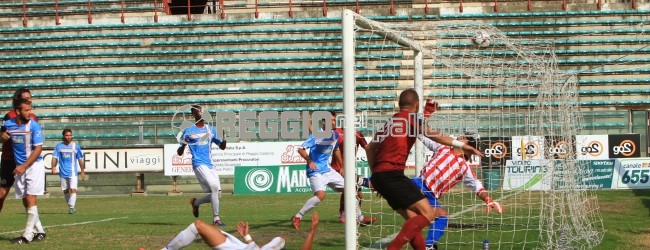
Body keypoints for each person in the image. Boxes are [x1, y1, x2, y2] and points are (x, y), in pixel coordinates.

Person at [365, 89, 483, 250]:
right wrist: (464, 145)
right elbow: (435, 135)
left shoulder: (389, 123)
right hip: (393, 175)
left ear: (400, 104)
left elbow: (370, 148)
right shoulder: (410, 119)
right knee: (427, 214)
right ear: (416, 105)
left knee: (412, 221)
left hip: (380, 175)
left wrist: (376, 176)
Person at [413, 133, 503, 250]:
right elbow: (423, 135)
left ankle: (428, 246)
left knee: (442, 217)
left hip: (430, 196)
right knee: (392, 188)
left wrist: (488, 199)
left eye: (465, 138)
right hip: (417, 183)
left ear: (469, 147)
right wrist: (417, 124)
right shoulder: (442, 146)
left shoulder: (465, 168)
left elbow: (477, 186)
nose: (461, 137)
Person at [291, 111, 374, 230]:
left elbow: (336, 151)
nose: (334, 122)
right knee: (321, 195)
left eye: (334, 120)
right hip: (315, 171)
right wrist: (310, 160)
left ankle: (360, 219)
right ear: (324, 122)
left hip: (327, 170)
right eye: (331, 120)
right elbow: (300, 149)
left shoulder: (334, 135)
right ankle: (297, 216)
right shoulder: (316, 134)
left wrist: (342, 166)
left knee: (351, 190)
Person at [0, 99, 47, 244]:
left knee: (31, 198)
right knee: (26, 200)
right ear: (18, 111)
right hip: (20, 167)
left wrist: (24, 165)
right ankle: (39, 230)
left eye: (30, 109)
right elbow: (2, 135)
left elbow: (38, 149)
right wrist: (1, 138)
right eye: (27, 110)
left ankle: (27, 235)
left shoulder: (35, 126)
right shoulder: (8, 124)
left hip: (33, 165)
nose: (30, 113)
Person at [177, 105, 227, 226]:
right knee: (214, 187)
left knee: (217, 193)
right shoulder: (188, 131)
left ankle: (196, 203)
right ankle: (216, 219)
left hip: (210, 164)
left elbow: (222, 147)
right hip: (198, 163)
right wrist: (183, 145)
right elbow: (179, 153)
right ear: (194, 115)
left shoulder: (211, 130)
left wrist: (224, 138)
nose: (202, 113)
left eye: (203, 111)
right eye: (199, 112)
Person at [161, 212, 320, 250]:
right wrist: (247, 236)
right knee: (198, 225)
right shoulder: (259, 247)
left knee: (199, 225)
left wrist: (312, 230)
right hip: (238, 245)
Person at [0, 88, 37, 214]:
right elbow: (1, 136)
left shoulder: (33, 118)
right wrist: (2, 138)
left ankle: (32, 229)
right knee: (2, 193)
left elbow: (36, 142)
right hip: (9, 159)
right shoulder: (8, 117)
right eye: (26, 98)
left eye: (30, 97)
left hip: (25, 161)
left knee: (28, 196)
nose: (29, 100)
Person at [331, 125, 374, 224]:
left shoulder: (357, 134)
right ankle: (357, 217)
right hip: (338, 168)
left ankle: (348, 214)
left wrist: (376, 140)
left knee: (357, 193)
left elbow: (367, 147)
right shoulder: (336, 132)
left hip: (350, 169)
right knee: (351, 190)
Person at [51, 128, 86, 214]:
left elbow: (80, 159)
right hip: (63, 172)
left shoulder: (75, 146)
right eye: (67, 135)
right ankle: (71, 205)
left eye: (70, 135)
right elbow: (54, 158)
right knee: (66, 191)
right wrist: (53, 167)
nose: (69, 137)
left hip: (73, 172)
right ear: (63, 136)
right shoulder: (58, 147)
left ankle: (71, 207)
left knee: (73, 189)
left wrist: (82, 170)